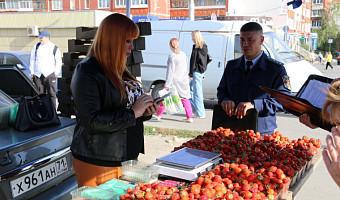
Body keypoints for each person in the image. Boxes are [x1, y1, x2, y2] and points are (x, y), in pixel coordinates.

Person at [70, 13, 159, 187]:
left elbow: (128, 110)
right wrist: (134, 113)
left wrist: (145, 111)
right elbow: (92, 121)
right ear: (112, 40)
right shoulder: (87, 71)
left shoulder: (118, 68)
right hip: (99, 160)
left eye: (132, 41)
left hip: (125, 158)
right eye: (127, 41)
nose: (132, 47)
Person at [217, 22, 291, 136]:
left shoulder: (275, 70)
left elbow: (284, 102)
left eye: (250, 40)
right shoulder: (232, 66)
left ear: (261, 40)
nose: (245, 44)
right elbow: (222, 90)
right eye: (242, 40)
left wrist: (255, 105)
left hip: (261, 132)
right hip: (233, 128)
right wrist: (225, 99)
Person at [154, 38, 194, 123]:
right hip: (183, 80)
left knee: (165, 97)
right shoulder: (183, 54)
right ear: (178, 45)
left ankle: (159, 114)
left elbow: (170, 71)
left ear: (170, 45)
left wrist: (167, 84)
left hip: (174, 80)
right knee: (185, 98)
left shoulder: (172, 56)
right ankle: (190, 117)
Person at [29, 30, 62, 108]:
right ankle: (40, 111)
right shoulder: (36, 46)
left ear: (47, 38)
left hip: (50, 74)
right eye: (40, 38)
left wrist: (56, 73)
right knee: (39, 94)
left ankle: (53, 111)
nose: (40, 39)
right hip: (38, 74)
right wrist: (32, 72)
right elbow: (32, 59)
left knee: (52, 94)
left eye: (42, 38)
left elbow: (58, 61)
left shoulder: (54, 47)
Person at [189, 30, 208, 119]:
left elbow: (193, 61)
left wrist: (191, 73)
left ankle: (200, 112)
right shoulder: (204, 46)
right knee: (191, 90)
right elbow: (206, 60)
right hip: (200, 71)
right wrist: (203, 71)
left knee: (197, 92)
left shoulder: (196, 47)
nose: (191, 38)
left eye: (192, 36)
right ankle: (195, 109)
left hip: (196, 72)